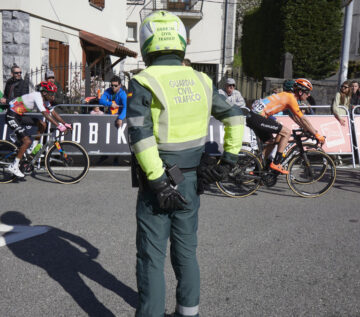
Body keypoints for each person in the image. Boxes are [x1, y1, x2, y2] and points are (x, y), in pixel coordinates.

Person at [126, 11, 244, 317]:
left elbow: (139, 134)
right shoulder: (202, 80)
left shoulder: (143, 81)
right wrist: (228, 160)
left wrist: (157, 180)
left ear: (146, 43)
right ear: (181, 41)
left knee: (151, 257)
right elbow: (235, 117)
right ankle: (188, 312)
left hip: (158, 183)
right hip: (191, 180)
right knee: (186, 252)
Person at [246, 78, 326, 174]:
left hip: (253, 116)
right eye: (307, 92)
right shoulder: (290, 98)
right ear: (300, 92)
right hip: (257, 117)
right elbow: (303, 118)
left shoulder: (288, 97)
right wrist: (316, 134)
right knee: (286, 132)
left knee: (271, 142)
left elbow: (295, 118)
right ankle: (276, 163)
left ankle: (257, 170)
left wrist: (306, 129)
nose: (309, 95)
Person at [5, 81, 72, 178]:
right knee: (26, 141)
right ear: (45, 93)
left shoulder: (45, 99)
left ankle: (33, 147)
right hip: (11, 115)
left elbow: (53, 113)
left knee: (42, 124)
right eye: (51, 94)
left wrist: (65, 123)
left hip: (19, 115)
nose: (53, 96)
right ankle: (14, 166)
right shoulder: (37, 96)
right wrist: (58, 126)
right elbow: (45, 113)